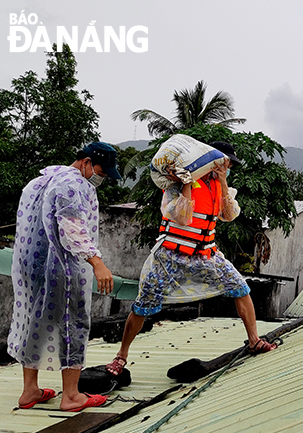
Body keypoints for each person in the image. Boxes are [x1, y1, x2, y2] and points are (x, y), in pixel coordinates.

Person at [106, 141, 277, 376]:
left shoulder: (219, 187)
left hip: (205, 254)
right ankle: (120, 357)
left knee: (240, 288)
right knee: (144, 305)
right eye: (224, 162)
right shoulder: (175, 186)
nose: (226, 166)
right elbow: (183, 217)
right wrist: (186, 183)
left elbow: (229, 214)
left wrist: (224, 181)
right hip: (169, 256)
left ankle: (254, 340)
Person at [7, 142, 121, 411]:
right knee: (73, 323)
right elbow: (72, 228)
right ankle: (71, 395)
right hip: (62, 266)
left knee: (33, 320)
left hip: (30, 266)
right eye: (101, 172)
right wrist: (97, 263)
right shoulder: (73, 184)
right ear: (86, 162)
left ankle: (30, 391)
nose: (101, 178)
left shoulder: (40, 181)